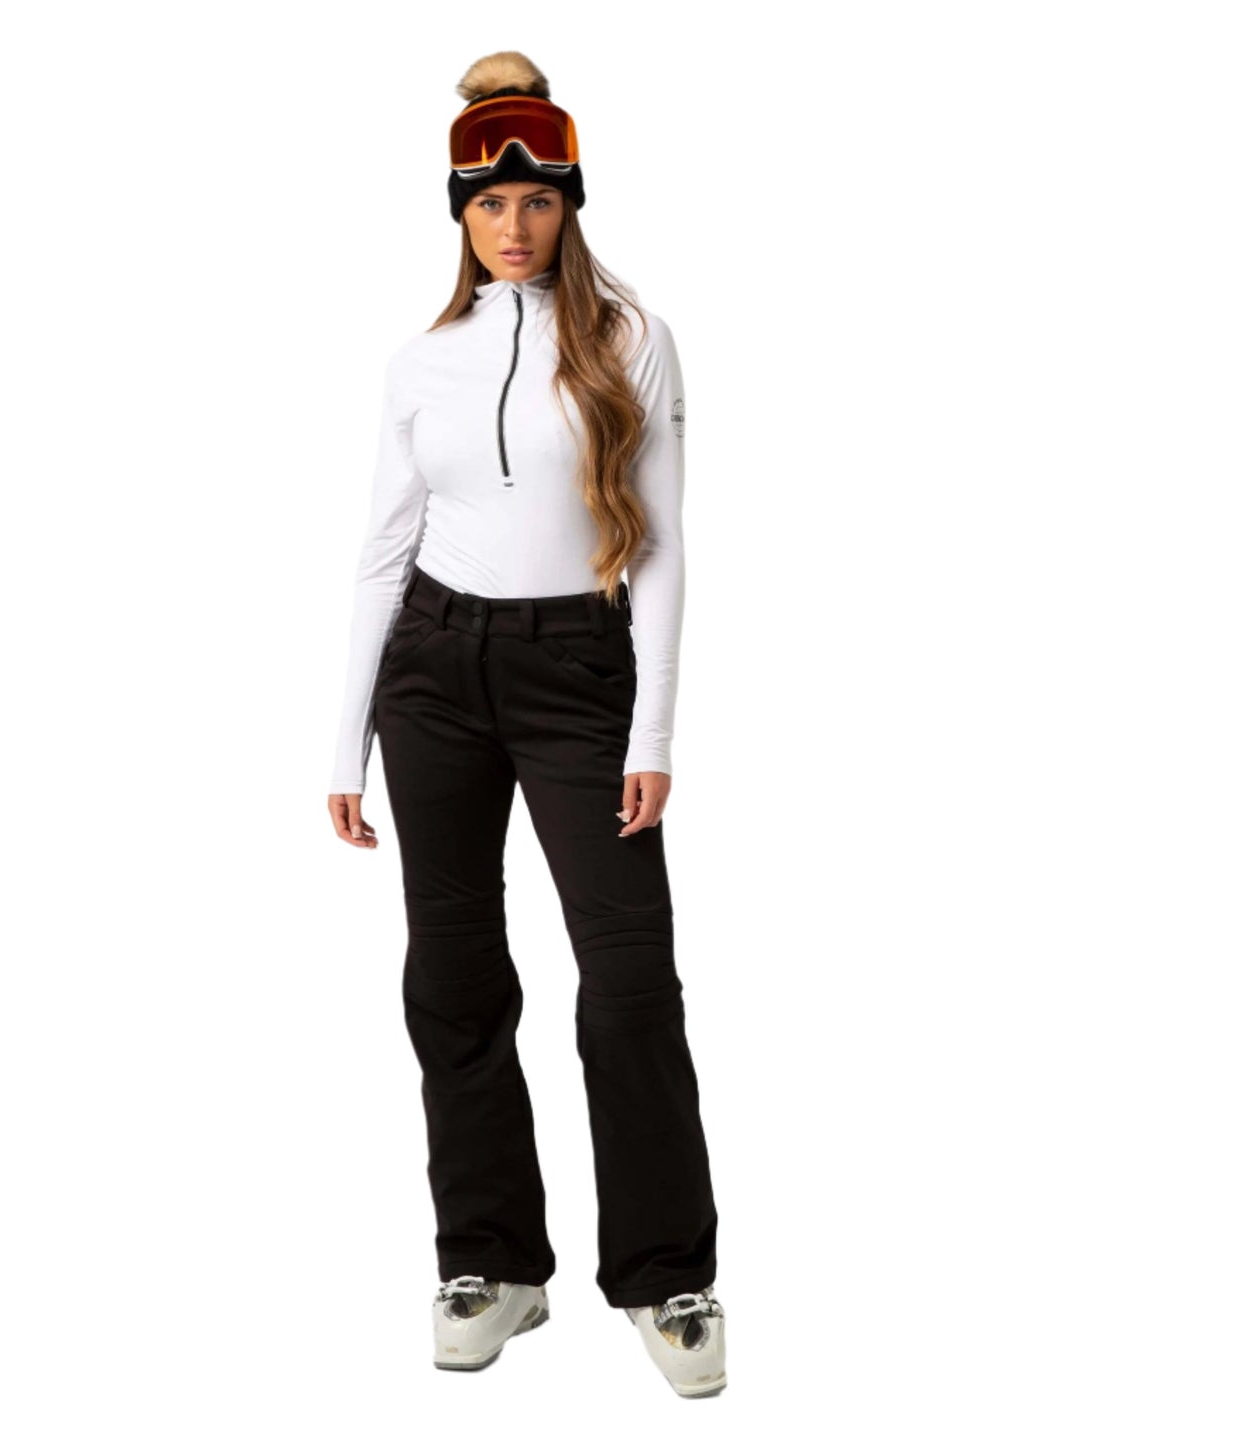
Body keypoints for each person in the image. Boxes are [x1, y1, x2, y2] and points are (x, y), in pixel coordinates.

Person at [326, 51, 725, 1399]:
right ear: (459, 211)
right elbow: (381, 549)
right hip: (433, 672)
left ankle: (667, 1275)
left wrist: (651, 732)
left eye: (538, 199)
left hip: (578, 671)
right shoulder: (421, 361)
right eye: (489, 202)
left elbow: (660, 546)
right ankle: (492, 1261)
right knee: (451, 971)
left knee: (627, 977)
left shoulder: (631, 339)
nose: (513, 224)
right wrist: (341, 740)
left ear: (569, 204)